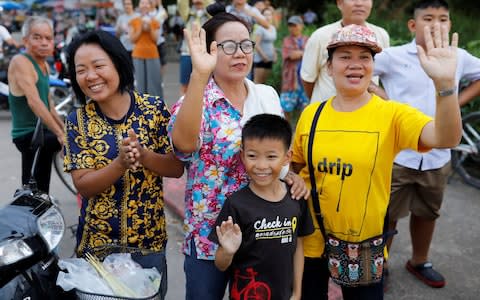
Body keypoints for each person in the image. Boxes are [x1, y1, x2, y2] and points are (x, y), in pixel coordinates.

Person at [291, 24, 461, 299]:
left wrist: (444, 85)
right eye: (345, 56)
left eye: (364, 57)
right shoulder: (312, 114)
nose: (355, 64)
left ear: (373, 67)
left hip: (363, 246)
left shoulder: (391, 114)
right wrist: (291, 177)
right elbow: (295, 166)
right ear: (329, 67)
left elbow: (446, 137)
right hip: (312, 241)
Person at [168, 6, 309, 299]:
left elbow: (274, 151)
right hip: (210, 235)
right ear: (209, 51)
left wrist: (289, 175)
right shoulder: (195, 100)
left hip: (262, 236)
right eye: (228, 46)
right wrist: (198, 75)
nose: (240, 53)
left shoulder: (266, 95)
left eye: (246, 45)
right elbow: (183, 146)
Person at [64, 30, 184, 299]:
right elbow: (84, 186)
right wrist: (119, 163)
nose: (90, 76)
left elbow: (176, 167)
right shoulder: (78, 120)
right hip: (98, 247)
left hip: (148, 245)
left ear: (118, 63)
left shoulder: (153, 109)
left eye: (98, 66)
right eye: (80, 70)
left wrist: (143, 155)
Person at [371, 0, 480, 289]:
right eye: (428, 18)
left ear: (450, 24)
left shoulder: (459, 58)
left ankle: (419, 260)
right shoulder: (393, 56)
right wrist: (384, 98)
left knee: (427, 211)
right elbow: (363, 72)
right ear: (412, 25)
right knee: (387, 215)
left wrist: (456, 102)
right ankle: (379, 265)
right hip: (398, 154)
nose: (436, 24)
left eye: (443, 19)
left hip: (437, 156)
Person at [208, 113, 314, 300]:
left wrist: (297, 293)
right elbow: (220, 264)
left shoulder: (295, 197)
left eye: (271, 156)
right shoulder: (236, 205)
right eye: (252, 156)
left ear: (287, 157)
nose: (261, 165)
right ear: (242, 155)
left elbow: (298, 248)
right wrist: (227, 250)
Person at [7, 16, 63, 193]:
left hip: (40, 131)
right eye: (37, 37)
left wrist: (64, 132)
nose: (44, 42)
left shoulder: (44, 65)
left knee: (38, 185)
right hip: (27, 134)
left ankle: (40, 208)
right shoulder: (20, 62)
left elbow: (49, 106)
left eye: (48, 38)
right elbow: (35, 102)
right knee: (33, 186)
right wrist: (60, 135)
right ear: (25, 41)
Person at [300, 0, 390, 103]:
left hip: (368, 113)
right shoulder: (320, 36)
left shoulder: (381, 35)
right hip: (327, 114)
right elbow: (308, 79)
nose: (359, 3)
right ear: (339, 3)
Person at [177, 0, 212, 95]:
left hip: (204, 53)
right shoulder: (188, 14)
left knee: (206, 85)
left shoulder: (209, 14)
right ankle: (183, 108)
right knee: (185, 85)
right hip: (187, 53)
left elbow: (211, 4)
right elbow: (181, 3)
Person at [129, 0, 163, 97]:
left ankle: (155, 106)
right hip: (138, 54)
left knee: (154, 83)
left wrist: (150, 27)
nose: (144, 5)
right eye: (142, 3)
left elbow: (156, 40)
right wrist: (140, 27)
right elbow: (132, 39)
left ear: (150, 5)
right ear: (139, 5)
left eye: (147, 3)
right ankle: (141, 107)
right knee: (140, 84)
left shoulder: (155, 21)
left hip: (152, 54)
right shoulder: (134, 21)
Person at [280, 15, 309, 124]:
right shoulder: (287, 40)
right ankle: (287, 130)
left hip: (305, 79)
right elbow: (290, 55)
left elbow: (311, 55)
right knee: (285, 107)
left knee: (305, 107)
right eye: (290, 25)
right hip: (290, 80)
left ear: (301, 26)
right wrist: (304, 53)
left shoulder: (307, 40)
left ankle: (300, 130)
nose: (293, 28)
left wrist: (300, 53)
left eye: (295, 25)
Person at [253, 7, 276, 84]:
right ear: (261, 16)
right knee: (257, 82)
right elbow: (256, 44)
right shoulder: (260, 29)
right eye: (265, 15)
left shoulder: (273, 28)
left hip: (269, 59)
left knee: (264, 82)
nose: (267, 17)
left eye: (269, 15)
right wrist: (264, 57)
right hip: (260, 59)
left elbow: (272, 43)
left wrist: (274, 55)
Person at [150, 0, 169, 77]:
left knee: (162, 62)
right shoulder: (145, 13)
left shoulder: (160, 11)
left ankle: (160, 79)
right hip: (150, 41)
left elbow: (165, 15)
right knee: (151, 62)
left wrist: (160, 4)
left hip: (160, 41)